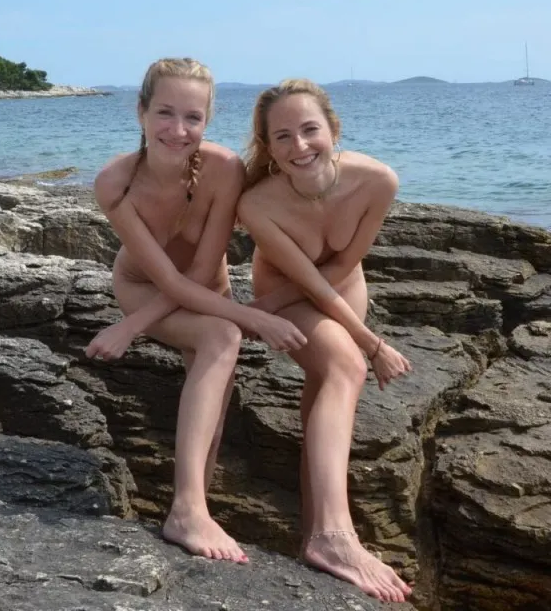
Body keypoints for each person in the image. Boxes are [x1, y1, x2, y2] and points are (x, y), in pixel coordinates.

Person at [85, 59, 307, 564]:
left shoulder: (224, 169)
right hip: (143, 289)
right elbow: (167, 281)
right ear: (140, 112)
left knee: (215, 402)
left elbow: (205, 270)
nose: (178, 130)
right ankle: (186, 511)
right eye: (165, 113)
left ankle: (195, 509)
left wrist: (132, 330)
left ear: (208, 120)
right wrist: (252, 318)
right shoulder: (114, 183)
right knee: (223, 336)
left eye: (193, 117)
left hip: (207, 287)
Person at [237, 78, 413, 602]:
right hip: (286, 296)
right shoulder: (257, 205)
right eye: (283, 137)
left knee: (325, 396)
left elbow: (339, 267)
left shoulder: (378, 181)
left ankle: (315, 535)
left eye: (310, 129)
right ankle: (335, 537)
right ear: (269, 148)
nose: (300, 145)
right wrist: (370, 345)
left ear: (333, 130)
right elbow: (306, 284)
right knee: (346, 367)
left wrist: (366, 338)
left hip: (342, 285)